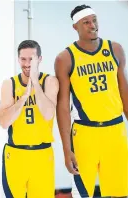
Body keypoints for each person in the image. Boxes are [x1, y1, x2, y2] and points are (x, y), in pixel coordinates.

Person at [55, 4, 128, 198]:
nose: (92, 25)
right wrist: (66, 149)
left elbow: (125, 93)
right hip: (85, 133)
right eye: (86, 22)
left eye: (94, 20)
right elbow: (62, 106)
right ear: (75, 27)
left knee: (119, 193)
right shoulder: (65, 58)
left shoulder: (115, 49)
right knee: (82, 194)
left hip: (116, 131)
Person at [0, 40, 59, 198]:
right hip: (16, 155)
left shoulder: (49, 81)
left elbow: (48, 114)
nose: (27, 64)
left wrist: (35, 84)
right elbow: (4, 122)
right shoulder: (9, 84)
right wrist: (23, 98)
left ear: (39, 59)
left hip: (42, 155)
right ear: (18, 59)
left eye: (31, 59)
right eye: (23, 59)